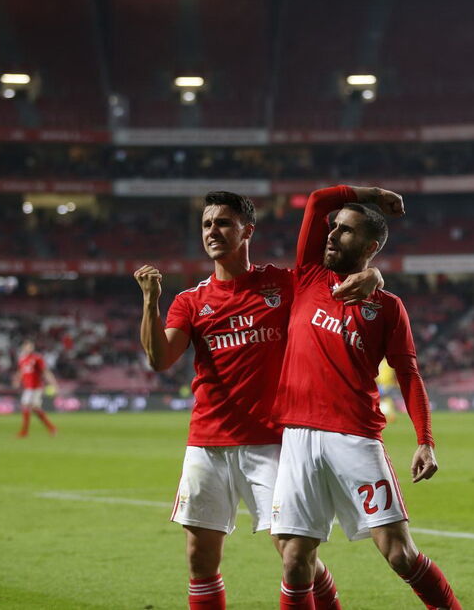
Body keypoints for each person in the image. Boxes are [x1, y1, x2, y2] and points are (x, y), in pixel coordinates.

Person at [135, 190, 385, 610]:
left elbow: (340, 279)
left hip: (271, 442)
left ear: (247, 230)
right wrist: (149, 301)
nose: (213, 231)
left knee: (294, 555)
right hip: (208, 444)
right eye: (207, 224)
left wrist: (375, 276)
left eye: (223, 223)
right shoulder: (190, 302)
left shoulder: (282, 284)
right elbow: (160, 358)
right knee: (200, 559)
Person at [271, 186, 462, 609]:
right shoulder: (308, 275)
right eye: (333, 228)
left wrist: (425, 440)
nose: (332, 234)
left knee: (399, 554)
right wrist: (373, 194)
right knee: (294, 561)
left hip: (355, 437)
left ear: (370, 246)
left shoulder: (388, 307)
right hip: (298, 437)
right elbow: (319, 200)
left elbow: (409, 375)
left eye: (346, 230)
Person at [13, 340, 58, 437]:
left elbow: (45, 371)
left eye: (31, 347)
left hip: (35, 387)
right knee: (34, 408)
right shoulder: (22, 359)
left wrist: (53, 383)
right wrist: (17, 380)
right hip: (27, 387)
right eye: (27, 347)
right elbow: (21, 371)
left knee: (26, 406)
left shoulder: (37, 358)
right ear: (23, 348)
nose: (29, 348)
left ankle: (25, 432)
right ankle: (51, 428)